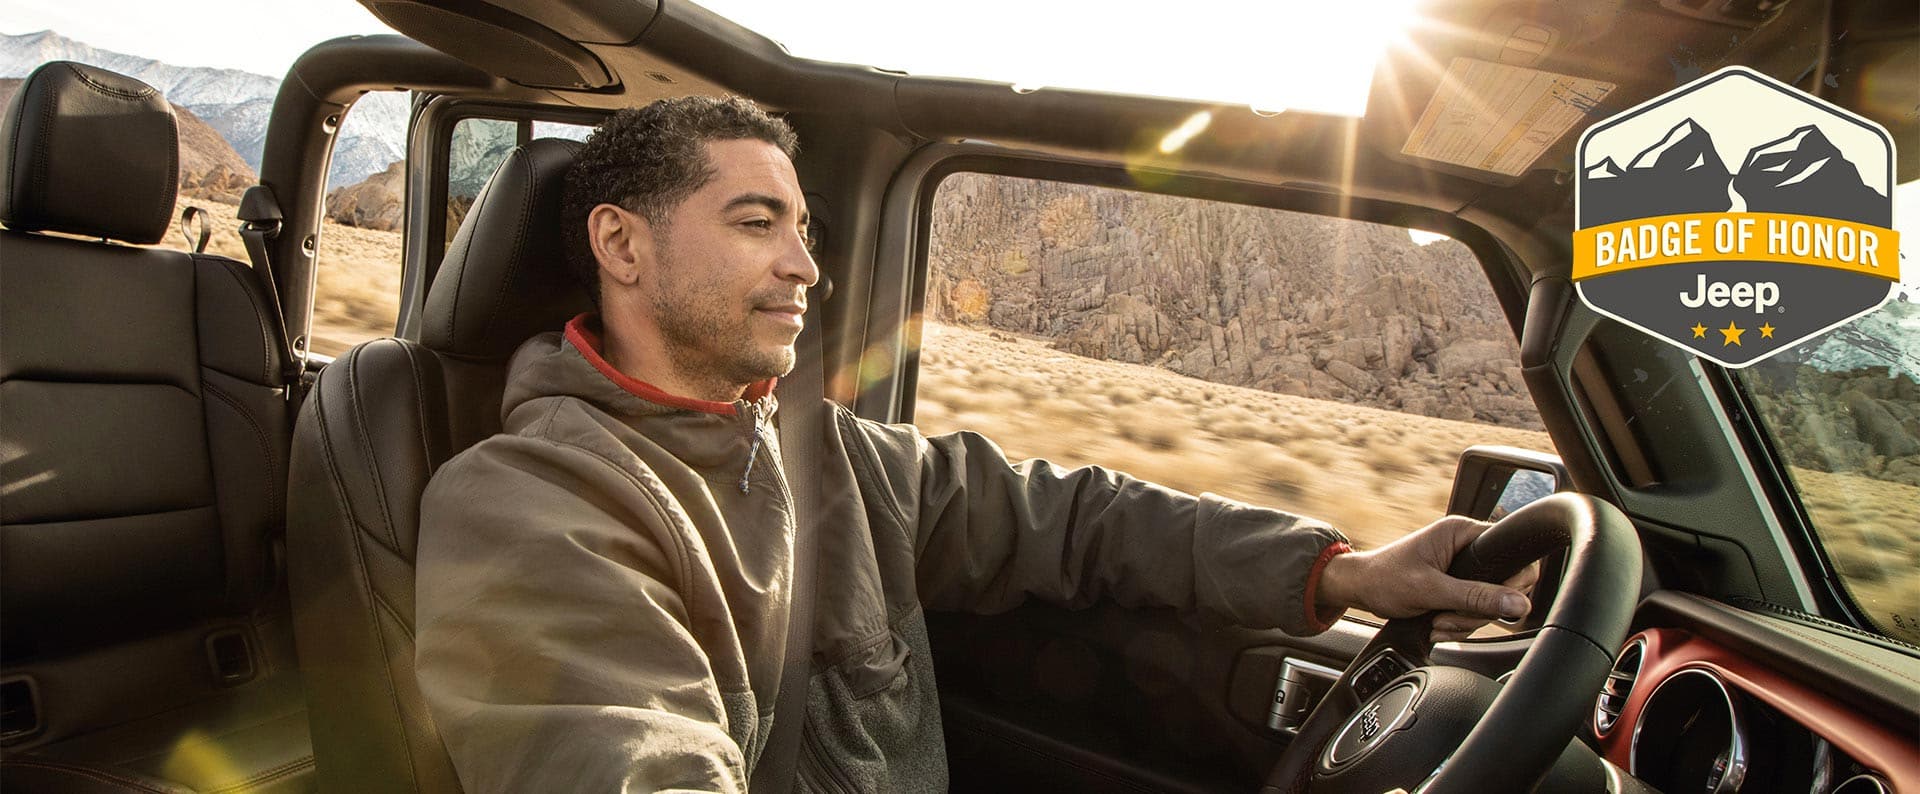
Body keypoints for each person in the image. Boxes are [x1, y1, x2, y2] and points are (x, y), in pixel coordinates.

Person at [414, 96, 1538, 793]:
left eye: (805, 228)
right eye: (758, 222)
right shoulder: (527, 503)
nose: (807, 265)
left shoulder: (833, 455)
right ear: (622, 244)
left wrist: (1337, 568)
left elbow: (1074, 516)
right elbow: (624, 757)